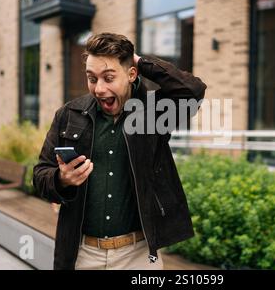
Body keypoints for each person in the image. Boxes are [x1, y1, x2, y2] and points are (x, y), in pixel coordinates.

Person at [33, 32, 207, 270]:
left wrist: (140, 62)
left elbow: (193, 91)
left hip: (139, 256)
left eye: (109, 77)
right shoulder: (68, 114)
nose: (99, 88)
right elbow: (40, 175)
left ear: (131, 74)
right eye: (92, 78)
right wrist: (61, 179)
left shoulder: (154, 113)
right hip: (82, 254)